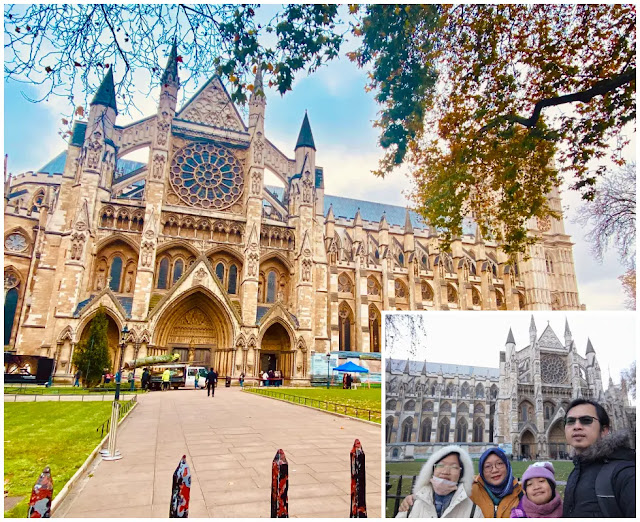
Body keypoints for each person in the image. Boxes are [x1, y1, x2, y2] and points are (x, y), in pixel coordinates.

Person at [562, 398, 635, 518]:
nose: (576, 426)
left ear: (604, 430)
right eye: (570, 421)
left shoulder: (627, 474)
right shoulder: (578, 470)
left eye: (586, 420)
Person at [396, 445, 482, 518]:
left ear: (461, 474)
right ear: (432, 470)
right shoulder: (411, 504)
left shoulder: (474, 511)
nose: (445, 472)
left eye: (454, 467)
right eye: (440, 465)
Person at [471, 448, 523, 518]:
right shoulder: (471, 492)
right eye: (488, 466)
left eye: (499, 463)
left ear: (507, 466)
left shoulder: (521, 492)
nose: (494, 470)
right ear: (482, 471)